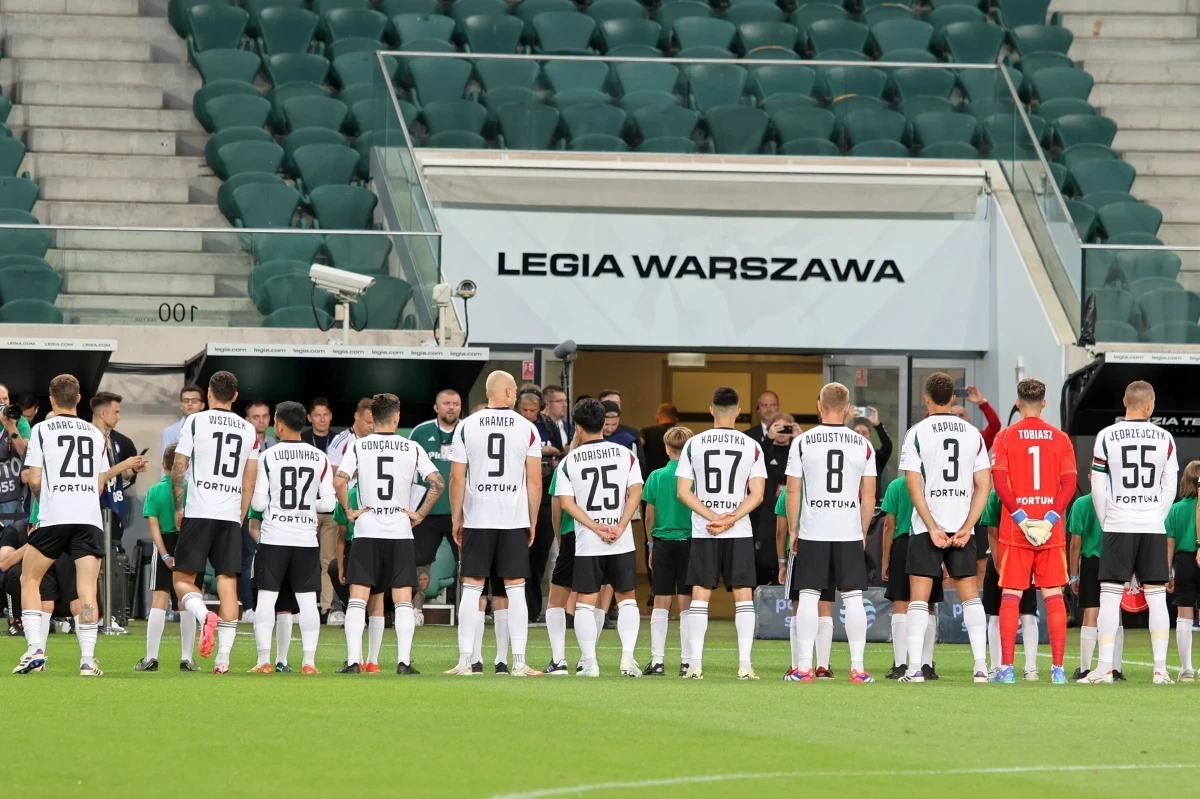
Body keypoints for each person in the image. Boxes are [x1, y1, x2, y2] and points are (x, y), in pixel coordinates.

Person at [14, 374, 146, 676]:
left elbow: (34, 478)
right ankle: (87, 660)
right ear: (78, 399)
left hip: (54, 516)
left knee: (30, 579)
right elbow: (100, 484)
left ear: (51, 400)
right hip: (88, 518)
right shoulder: (96, 434)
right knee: (86, 587)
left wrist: (44, 499)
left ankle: (35, 650)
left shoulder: (42, 429)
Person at [334, 393, 444, 675]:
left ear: (372, 417)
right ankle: (404, 662)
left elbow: (339, 480)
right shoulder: (412, 447)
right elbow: (438, 483)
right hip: (400, 531)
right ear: (396, 417)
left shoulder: (359, 445)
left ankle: (353, 661)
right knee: (402, 598)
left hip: (367, 529)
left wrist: (349, 510)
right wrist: (419, 514)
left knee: (358, 596)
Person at [445, 371, 543, 677]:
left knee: (472, 587)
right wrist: (532, 520)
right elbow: (535, 481)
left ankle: (465, 661)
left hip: (478, 517)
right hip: (513, 518)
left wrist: (457, 517)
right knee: (515, 589)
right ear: (510, 392)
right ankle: (519, 662)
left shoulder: (466, 426)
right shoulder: (527, 428)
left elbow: (456, 477)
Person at [898, 371, 991, 683]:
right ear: (953, 397)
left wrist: (931, 527)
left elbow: (913, 485)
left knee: (918, 599)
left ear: (926, 398)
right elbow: (984, 485)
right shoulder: (973, 434)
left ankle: (915, 668)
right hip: (962, 526)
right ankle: (980, 667)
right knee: (970, 597)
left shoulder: (916, 432)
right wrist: (968, 526)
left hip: (928, 528)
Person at [1083, 380, 1179, 684]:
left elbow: (1098, 487)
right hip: (1152, 525)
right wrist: (1157, 517)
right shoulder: (1165, 438)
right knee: (1157, 596)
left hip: (1117, 524)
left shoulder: (1106, 436)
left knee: (1110, 596)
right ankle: (1160, 669)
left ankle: (1104, 668)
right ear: (1151, 405)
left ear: (1125, 402)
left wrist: (1107, 520)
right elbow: (1170, 486)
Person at [784, 383, 877, 683]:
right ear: (847, 408)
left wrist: (793, 529)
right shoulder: (863, 444)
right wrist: (863, 531)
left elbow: (793, 491)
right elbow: (869, 496)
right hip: (848, 530)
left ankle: (804, 668)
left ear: (819, 406)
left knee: (808, 597)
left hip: (814, 529)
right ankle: (858, 669)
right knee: (853, 598)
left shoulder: (802, 442)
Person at [987, 378, 1077, 685]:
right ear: (1044, 403)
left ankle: (1007, 669)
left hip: (1017, 529)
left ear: (1017, 403)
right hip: (1050, 530)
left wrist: (1023, 519)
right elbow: (1069, 484)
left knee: (1011, 595)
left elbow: (1000, 483)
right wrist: (1049, 519)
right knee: (1053, 595)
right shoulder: (1061, 438)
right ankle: (1058, 670)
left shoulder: (1004, 437)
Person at [675, 386, 767, 680]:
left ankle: (695, 665)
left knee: (700, 596)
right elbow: (758, 494)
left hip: (705, 530)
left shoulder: (693, 444)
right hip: (738, 530)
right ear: (738, 412)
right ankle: (745, 665)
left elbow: (683, 492)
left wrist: (713, 516)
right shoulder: (752, 445)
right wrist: (730, 519)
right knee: (743, 596)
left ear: (711, 409)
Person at [171, 371, 259, 675]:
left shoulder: (195, 421)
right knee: (228, 585)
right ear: (235, 397)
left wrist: (179, 508)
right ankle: (223, 660)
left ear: (209, 393)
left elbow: (179, 467)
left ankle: (203, 614)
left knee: (182, 580)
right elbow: (249, 480)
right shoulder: (249, 429)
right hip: (229, 515)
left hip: (199, 511)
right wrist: (240, 515)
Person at [554, 398, 645, 677]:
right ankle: (627, 659)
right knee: (626, 598)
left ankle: (590, 662)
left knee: (585, 600)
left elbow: (566, 503)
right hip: (621, 539)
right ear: (604, 423)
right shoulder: (625, 454)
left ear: (578, 427)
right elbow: (636, 492)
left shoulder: (569, 461)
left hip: (589, 541)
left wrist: (596, 527)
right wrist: (620, 525)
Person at [248, 401, 336, 675]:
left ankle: (264, 660)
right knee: (308, 601)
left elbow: (258, 504)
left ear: (279, 424)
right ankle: (309, 662)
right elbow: (329, 504)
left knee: (266, 598)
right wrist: (307, 505)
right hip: (305, 540)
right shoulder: (319, 457)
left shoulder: (268, 456)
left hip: (274, 537)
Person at [135, 444, 200, 672]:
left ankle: (151, 657)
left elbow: (153, 527)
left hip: (164, 543)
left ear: (163, 464)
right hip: (188, 543)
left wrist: (164, 555)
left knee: (159, 600)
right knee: (186, 602)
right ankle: (187, 659)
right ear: (186, 466)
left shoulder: (154, 491)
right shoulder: (192, 490)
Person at [642, 425, 694, 677]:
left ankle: (657, 661)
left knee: (661, 599)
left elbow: (649, 516)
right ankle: (687, 662)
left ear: (666, 448)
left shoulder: (656, 476)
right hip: (690, 541)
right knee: (686, 600)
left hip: (662, 541)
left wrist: (650, 545)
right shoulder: (696, 476)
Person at [879, 475, 940, 680]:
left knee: (901, 602)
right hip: (930, 542)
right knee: (928, 604)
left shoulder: (896, 485)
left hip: (904, 543)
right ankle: (926, 664)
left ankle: (900, 664)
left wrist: (886, 559)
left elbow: (889, 525)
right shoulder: (934, 481)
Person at [409, 389, 464, 616]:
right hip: (426, 510)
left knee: (466, 562)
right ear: (436, 407)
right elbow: (409, 470)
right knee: (420, 561)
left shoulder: (468, 430)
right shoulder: (420, 432)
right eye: (447, 403)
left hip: (459, 511)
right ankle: (416, 610)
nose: (451, 407)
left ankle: (467, 612)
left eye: (456, 404)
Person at [774, 484, 836, 679]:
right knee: (824, 605)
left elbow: (781, 530)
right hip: (828, 546)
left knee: (798, 605)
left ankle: (797, 665)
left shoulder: (789, 490)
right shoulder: (825, 486)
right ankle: (823, 666)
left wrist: (782, 562)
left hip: (799, 549)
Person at [979, 490, 1040, 680]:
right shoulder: (1025, 491)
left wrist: (999, 562)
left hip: (1012, 557)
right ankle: (1028, 669)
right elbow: (991, 530)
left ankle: (1004, 668)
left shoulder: (997, 492)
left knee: (1013, 613)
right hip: (1022, 556)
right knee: (1020, 613)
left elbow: (991, 530)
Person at [332, 481, 389, 672]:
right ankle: (373, 662)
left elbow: (341, 537)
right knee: (377, 603)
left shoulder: (351, 494)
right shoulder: (385, 492)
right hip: (384, 546)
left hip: (358, 547)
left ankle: (354, 660)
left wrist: (341, 566)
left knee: (356, 600)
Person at [1067, 490, 1122, 680]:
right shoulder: (1118, 500)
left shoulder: (1081, 504)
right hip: (1116, 559)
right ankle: (1115, 668)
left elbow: (1075, 543)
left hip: (1091, 561)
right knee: (1115, 610)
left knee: (1091, 611)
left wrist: (1074, 575)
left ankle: (1085, 668)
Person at [298, 398, 340, 623]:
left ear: (331, 416)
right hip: (305, 509)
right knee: (302, 558)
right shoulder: (301, 439)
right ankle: (299, 607)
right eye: (317, 415)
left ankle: (327, 608)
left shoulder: (338, 440)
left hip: (331, 508)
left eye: (325, 415)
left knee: (328, 561)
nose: (322, 419)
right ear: (309, 417)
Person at [90, 392, 140, 545]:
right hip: (94, 509)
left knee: (113, 553)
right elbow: (98, 478)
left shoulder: (112, 439)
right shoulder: (90, 438)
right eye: (116, 412)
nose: (119, 417)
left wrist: (132, 469)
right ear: (103, 414)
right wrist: (125, 464)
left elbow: (114, 477)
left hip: (113, 507)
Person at [1166, 460, 1200, 681]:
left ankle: (1186, 668)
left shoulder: (1176, 509)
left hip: (1184, 562)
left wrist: (1168, 572)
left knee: (1184, 614)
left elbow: (1169, 544)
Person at [756, 412, 797, 585]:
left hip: (790, 509)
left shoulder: (797, 452)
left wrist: (800, 439)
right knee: (764, 558)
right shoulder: (764, 452)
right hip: (767, 512)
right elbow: (756, 459)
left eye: (786, 428)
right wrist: (767, 439)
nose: (782, 432)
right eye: (778, 427)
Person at [852, 407, 893, 500]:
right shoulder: (845, 456)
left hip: (872, 504)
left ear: (870, 437)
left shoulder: (876, 457)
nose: (861, 436)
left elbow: (887, 446)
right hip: (851, 504)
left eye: (864, 433)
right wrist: (845, 420)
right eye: (857, 433)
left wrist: (877, 425)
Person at [949, 385, 1002, 451]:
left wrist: (982, 402)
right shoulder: (940, 436)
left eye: (961, 415)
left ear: (968, 420)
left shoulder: (977, 439)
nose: (958, 418)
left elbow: (995, 426)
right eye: (953, 415)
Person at [160, 384, 205, 454]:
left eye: (194, 401)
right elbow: (166, 459)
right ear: (181, 406)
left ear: (202, 405)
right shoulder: (170, 432)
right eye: (186, 401)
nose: (190, 404)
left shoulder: (209, 429)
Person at [640, 403, 679, 476]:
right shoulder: (681, 434)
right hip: (675, 477)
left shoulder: (646, 432)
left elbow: (638, 446)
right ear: (676, 420)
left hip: (650, 478)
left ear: (657, 417)